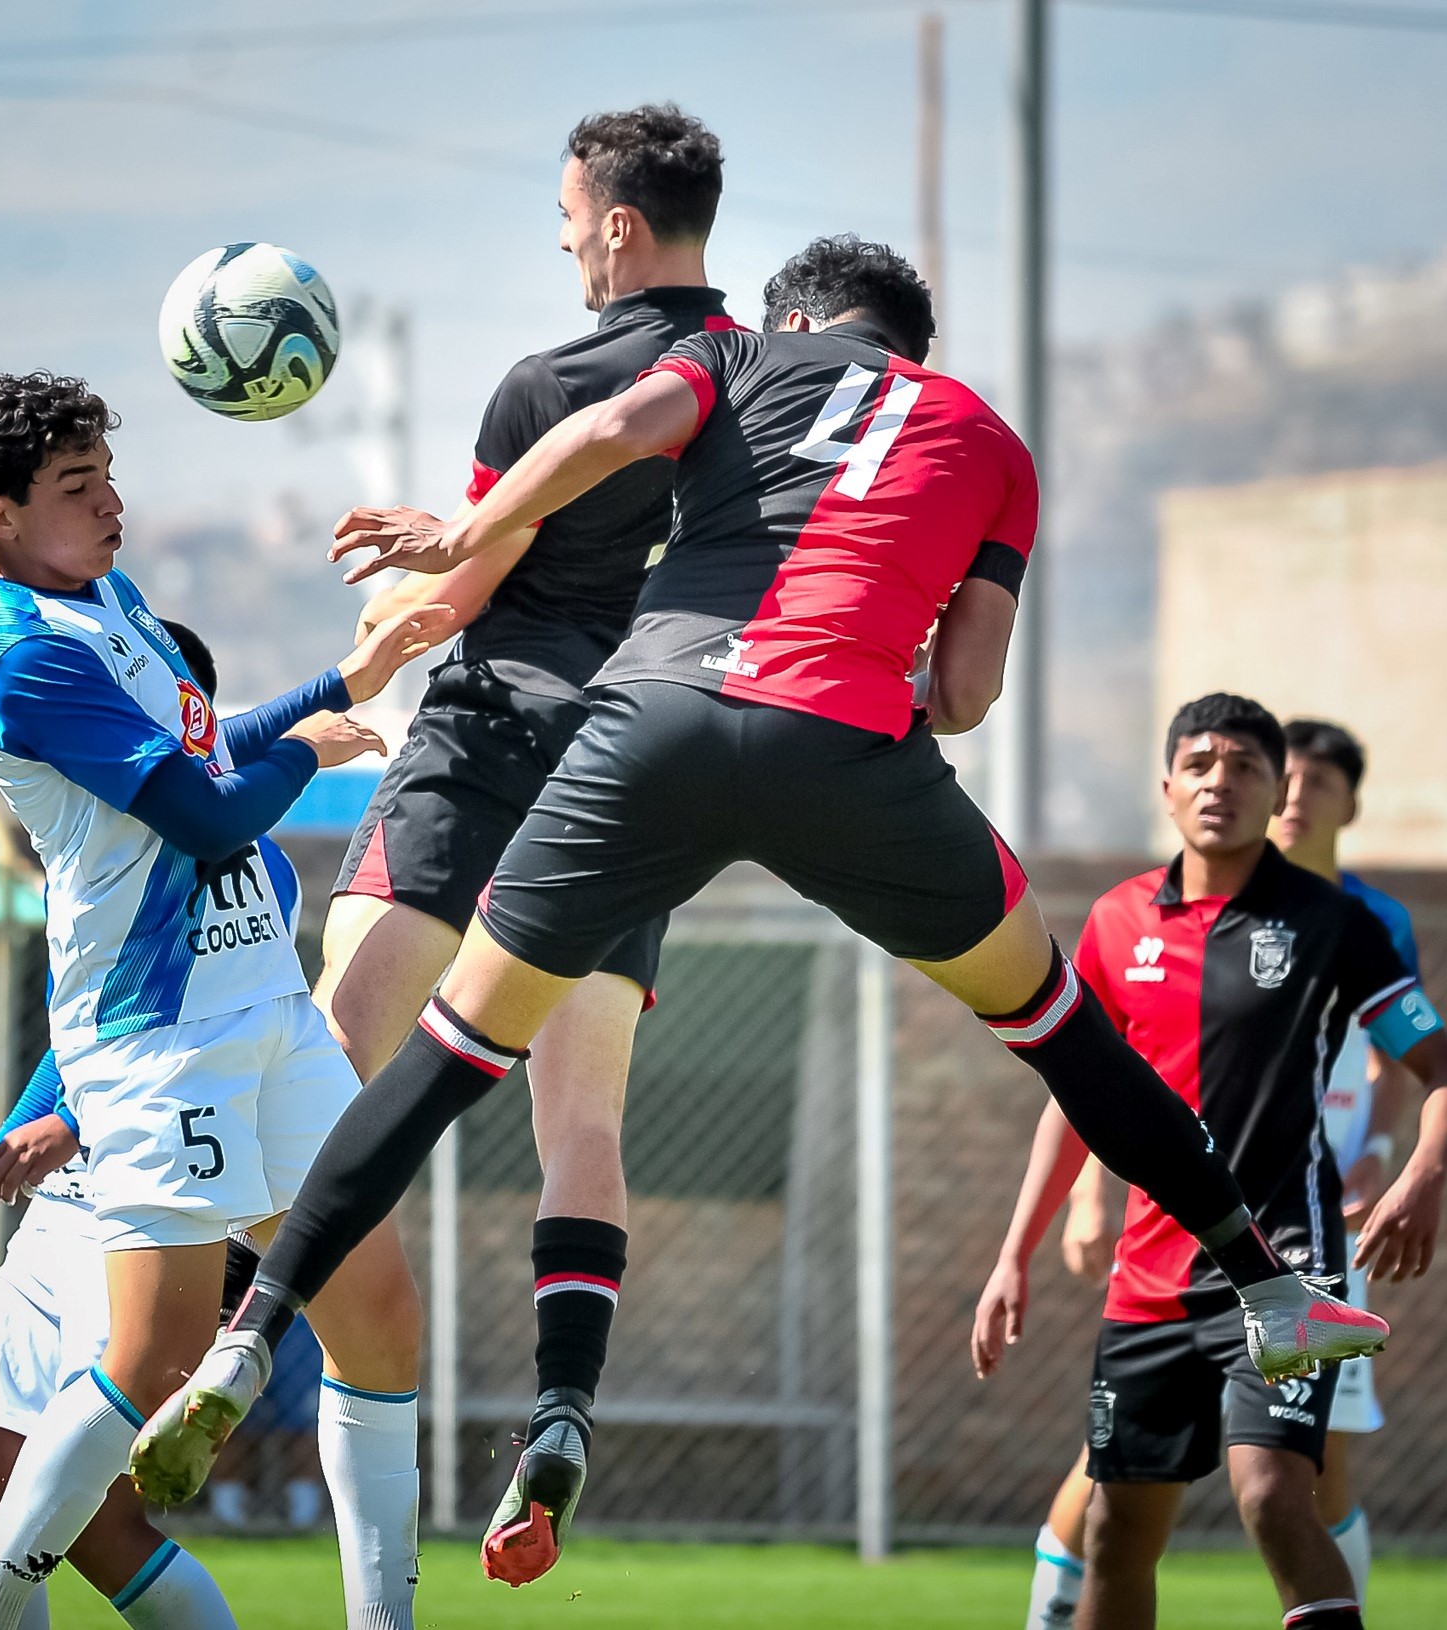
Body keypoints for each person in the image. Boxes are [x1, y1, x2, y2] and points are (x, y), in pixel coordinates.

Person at [137, 238, 1392, 1588]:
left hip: (646, 729)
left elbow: (615, 428)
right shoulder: (991, 441)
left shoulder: (734, 354)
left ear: (794, 315)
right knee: (1064, 1033)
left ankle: (248, 1332)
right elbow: (964, 691)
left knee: (443, 1058)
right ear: (912, 342)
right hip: (846, 748)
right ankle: (1266, 1288)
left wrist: (464, 533)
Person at [287, 103, 731, 1583]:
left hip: (481, 747)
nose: (560, 241)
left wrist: (356, 661)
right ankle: (557, 1407)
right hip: (628, 775)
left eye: (565, 219)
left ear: (613, 223)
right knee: (580, 1125)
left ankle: (222, 1346)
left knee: (326, 1061)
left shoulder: (551, 381)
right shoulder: (758, 388)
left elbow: (458, 593)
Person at [0, 367, 450, 1630]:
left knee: (378, 1314)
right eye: (75, 486)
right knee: (157, 1358)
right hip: (157, 1042)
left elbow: (213, 751)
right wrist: (316, 726)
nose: (112, 502)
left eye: (109, 473)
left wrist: (344, 680)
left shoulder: (112, 597)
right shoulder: (20, 658)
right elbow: (213, 808)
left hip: (267, 1016)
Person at [971, 694, 1447, 1630]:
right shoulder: (1114, 922)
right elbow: (1077, 1101)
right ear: (1166, 786)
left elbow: (1436, 1067)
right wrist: (1012, 1253)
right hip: (1145, 1279)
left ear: (1277, 797)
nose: (1217, 783)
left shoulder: (1333, 923)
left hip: (1283, 1266)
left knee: (1272, 1494)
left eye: (1243, 768)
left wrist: (1422, 1173)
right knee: (1115, 1530)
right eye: (1199, 765)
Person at [0, 622, 305, 1630]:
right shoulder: (89, 851)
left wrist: (82, 1123)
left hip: (155, 1196)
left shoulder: (249, 865)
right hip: (61, 1212)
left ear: (194, 723)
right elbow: (76, 1036)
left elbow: (208, 1038)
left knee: (90, 1518)